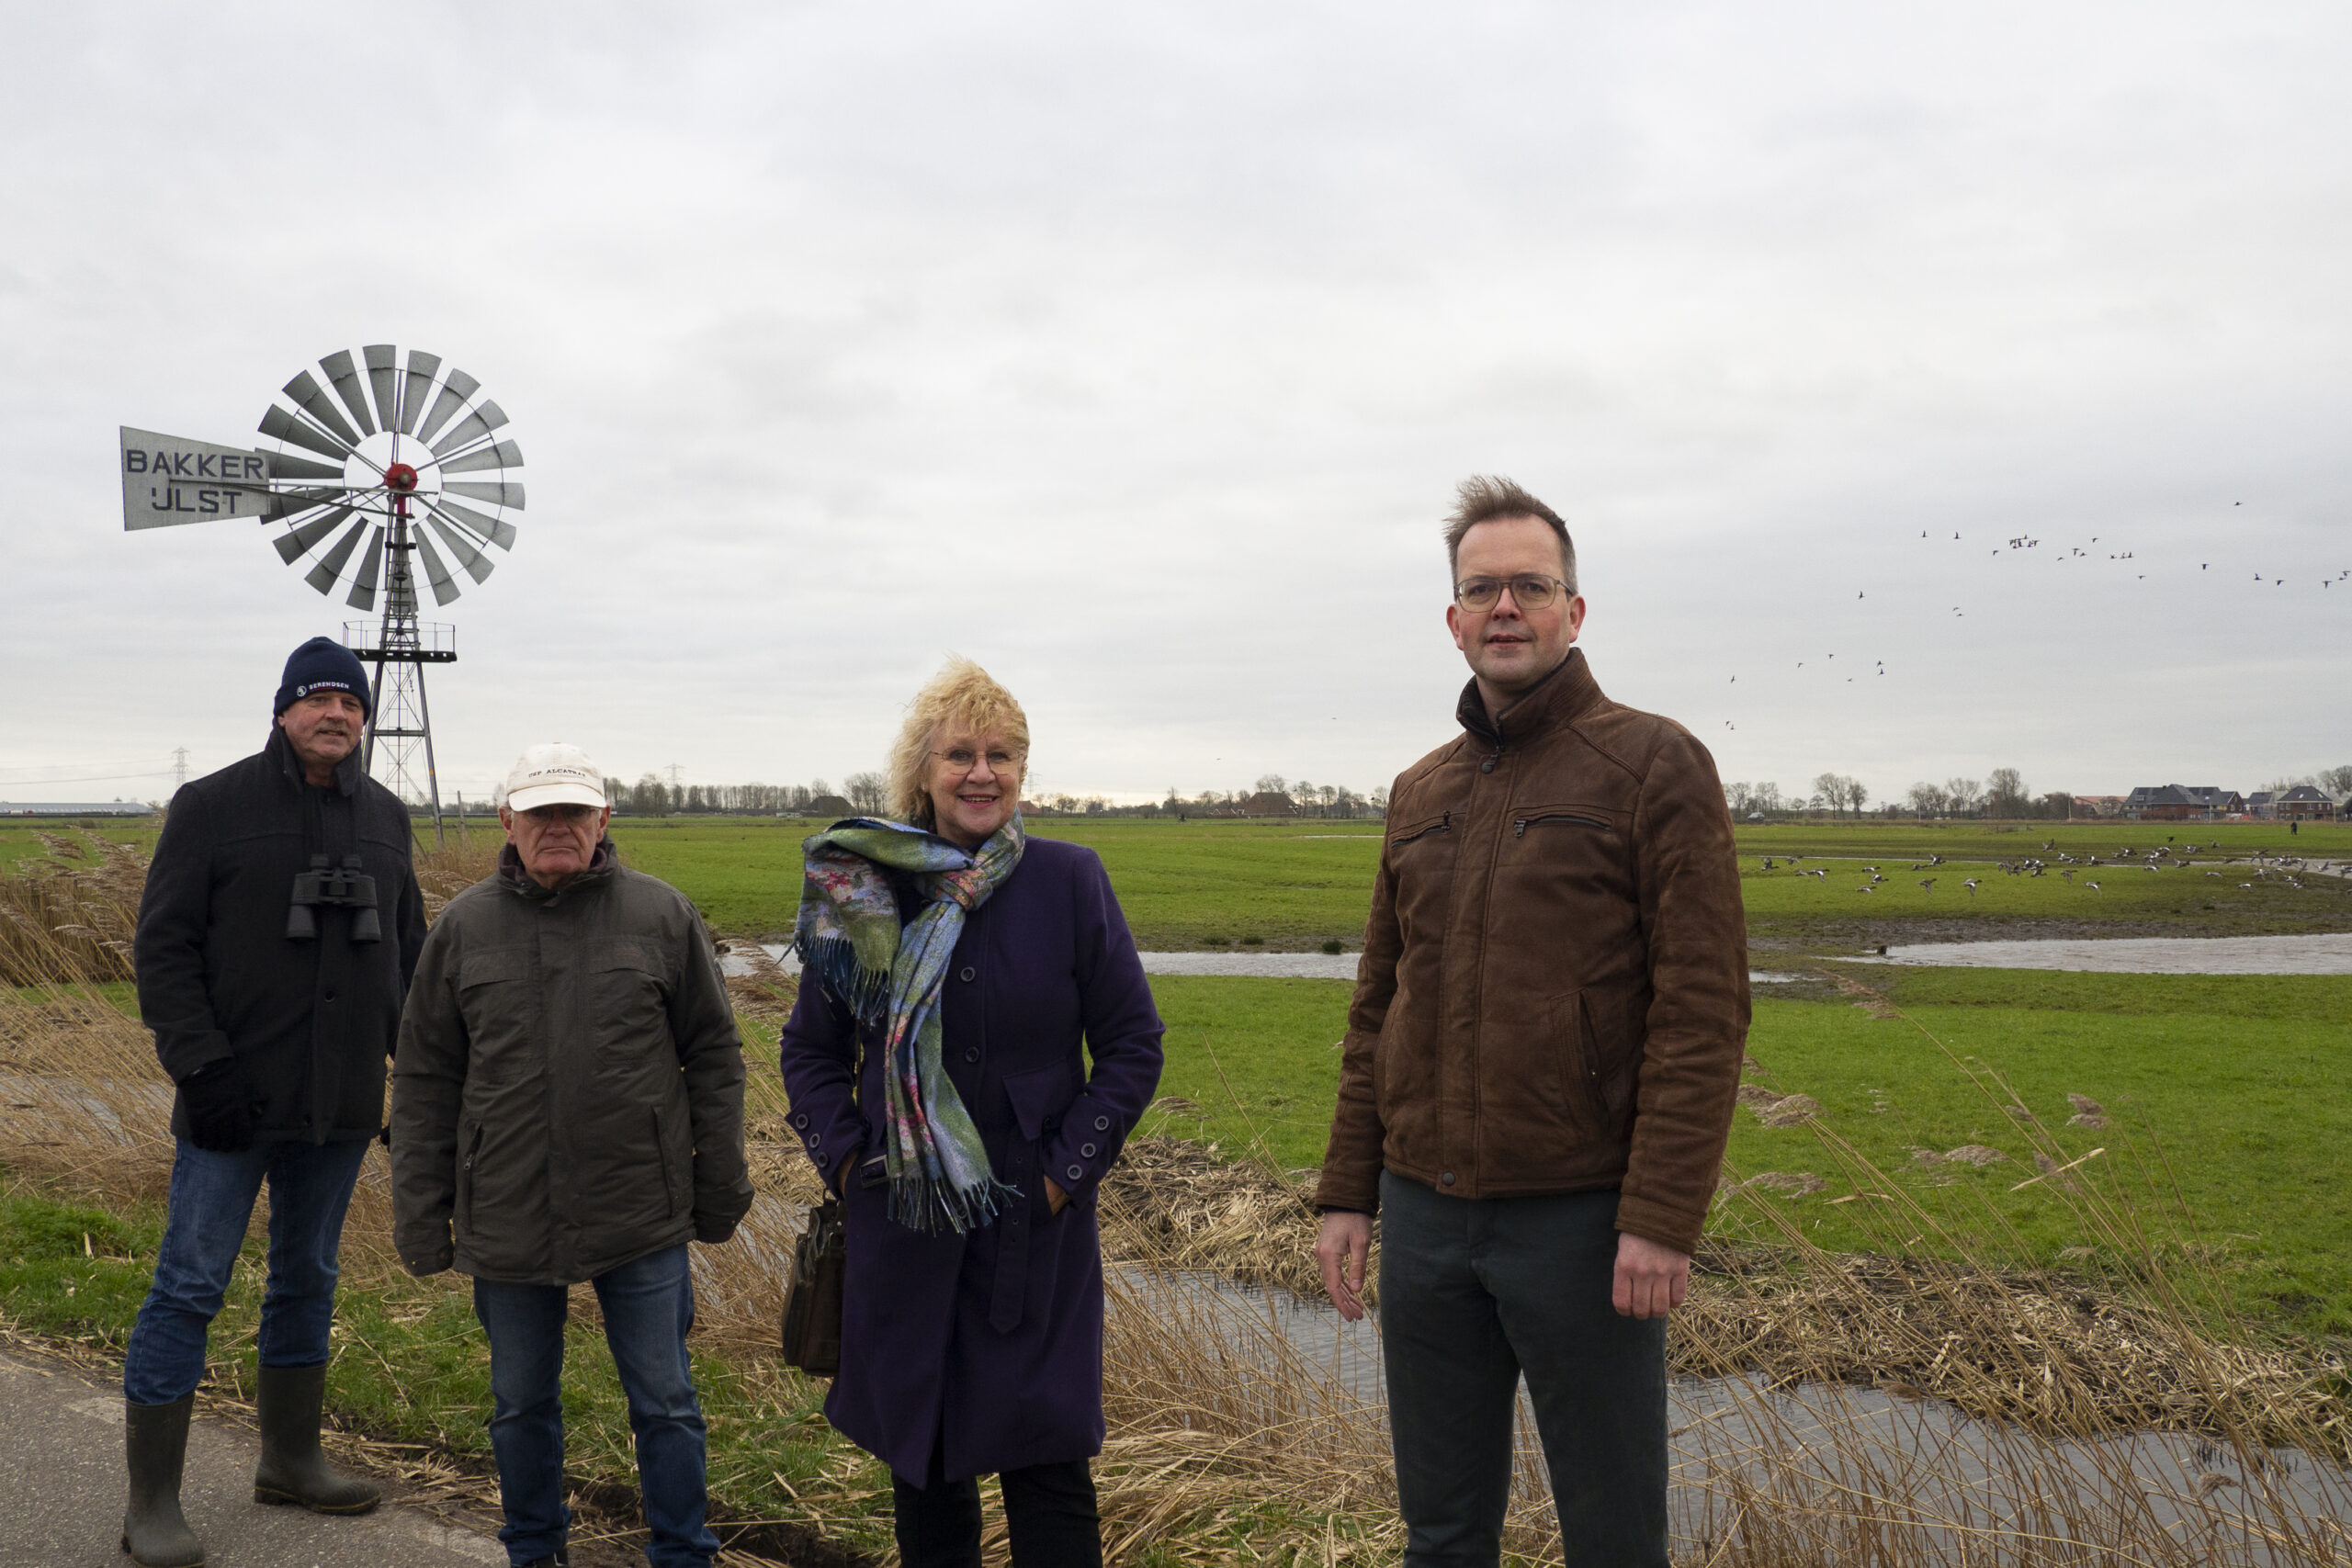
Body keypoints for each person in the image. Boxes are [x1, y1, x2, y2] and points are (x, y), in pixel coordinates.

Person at [1313, 478, 1749, 1567]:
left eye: (1530, 586)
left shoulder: (1654, 764)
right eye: (1481, 590)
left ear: (1573, 609)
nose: (1504, 607)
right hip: (1424, 1221)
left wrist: (1660, 1217)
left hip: (1580, 1224)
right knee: (1442, 1531)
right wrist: (1347, 1193)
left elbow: (1702, 1009)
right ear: (1453, 619)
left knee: (1612, 1536)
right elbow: (1379, 1005)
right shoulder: (1420, 791)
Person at [777, 659, 1163, 1568]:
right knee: (926, 1472)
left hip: (1034, 1232)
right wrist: (851, 1166)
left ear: (1023, 770)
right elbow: (811, 1052)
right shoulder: (863, 884)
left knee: (1050, 1469)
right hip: (905, 1222)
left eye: (1002, 755)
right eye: (960, 754)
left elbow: (1132, 1045)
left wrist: (1064, 1177)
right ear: (923, 769)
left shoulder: (1071, 879)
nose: (981, 773)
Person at [391, 744, 752, 1568]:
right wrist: (422, 1214)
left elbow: (715, 1056)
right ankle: (534, 1549)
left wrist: (720, 1181)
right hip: (508, 1211)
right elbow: (424, 1079)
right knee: (520, 1403)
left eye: (574, 811)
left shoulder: (662, 915)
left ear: (603, 819)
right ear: (507, 820)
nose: (557, 826)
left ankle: (683, 1553)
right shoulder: (462, 929)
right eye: (539, 811)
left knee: (665, 1400)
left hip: (640, 1209)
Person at [122, 636, 428, 1567]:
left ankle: (290, 1460)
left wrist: (414, 1076)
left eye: (352, 703)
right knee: (189, 1284)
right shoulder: (212, 805)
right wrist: (200, 1069)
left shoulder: (387, 817)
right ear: (283, 709)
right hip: (232, 1099)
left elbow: (410, 957)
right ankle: (152, 1502)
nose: (337, 714)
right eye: (318, 699)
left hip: (340, 1103)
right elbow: (163, 948)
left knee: (309, 1276)